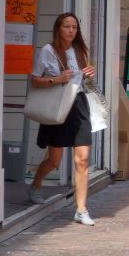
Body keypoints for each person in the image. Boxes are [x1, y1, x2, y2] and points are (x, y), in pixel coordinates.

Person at [28, 13, 99, 226]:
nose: (71, 30)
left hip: (78, 105)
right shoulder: (48, 51)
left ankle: (81, 209)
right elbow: (35, 81)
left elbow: (84, 82)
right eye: (67, 26)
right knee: (54, 160)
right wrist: (56, 79)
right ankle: (36, 184)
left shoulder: (80, 50)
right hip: (58, 105)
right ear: (58, 29)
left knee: (82, 159)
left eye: (74, 27)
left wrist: (90, 74)